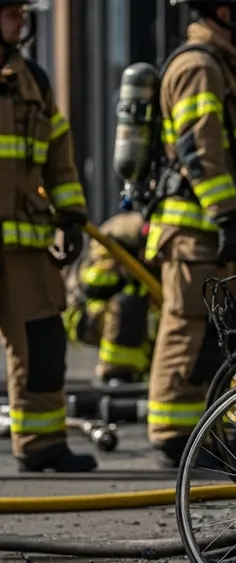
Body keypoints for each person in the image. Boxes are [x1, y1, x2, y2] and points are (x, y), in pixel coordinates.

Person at [144, 0, 236, 467]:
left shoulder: (221, 66)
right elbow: (200, 147)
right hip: (196, 229)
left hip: (209, 227)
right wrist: (225, 215)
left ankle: (195, 434)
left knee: (212, 336)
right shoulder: (198, 66)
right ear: (222, 10)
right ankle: (173, 436)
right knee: (187, 327)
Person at [0, 0, 96, 472]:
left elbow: (59, 157)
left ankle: (40, 443)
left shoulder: (33, 81)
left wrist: (72, 216)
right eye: (12, 13)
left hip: (24, 244)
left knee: (43, 342)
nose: (22, 21)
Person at [63, 211, 156, 387]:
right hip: (88, 316)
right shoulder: (111, 238)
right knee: (129, 306)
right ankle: (116, 375)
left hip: (141, 312)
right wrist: (124, 272)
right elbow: (94, 284)